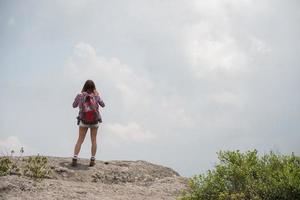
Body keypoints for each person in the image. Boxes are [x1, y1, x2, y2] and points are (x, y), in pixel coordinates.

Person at [71, 80, 105, 167]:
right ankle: (92, 159)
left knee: (80, 140)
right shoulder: (96, 96)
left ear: (84, 86)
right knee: (93, 140)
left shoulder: (80, 95)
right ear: (93, 87)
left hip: (83, 120)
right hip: (94, 121)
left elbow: (74, 105)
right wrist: (97, 95)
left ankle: (75, 157)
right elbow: (103, 104)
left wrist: (79, 98)